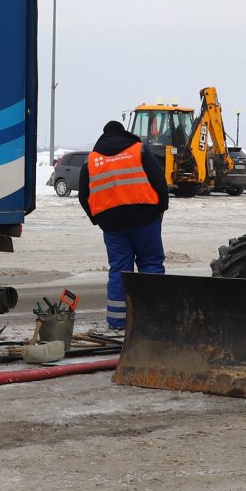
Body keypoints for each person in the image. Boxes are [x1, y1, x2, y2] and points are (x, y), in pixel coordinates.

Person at [81, 118, 168, 334]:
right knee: (151, 266)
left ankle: (118, 322)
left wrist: (98, 219)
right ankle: (152, 318)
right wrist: (161, 209)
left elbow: (84, 196)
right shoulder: (139, 150)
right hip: (145, 219)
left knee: (119, 270)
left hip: (113, 226)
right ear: (124, 133)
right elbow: (159, 181)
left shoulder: (91, 160)